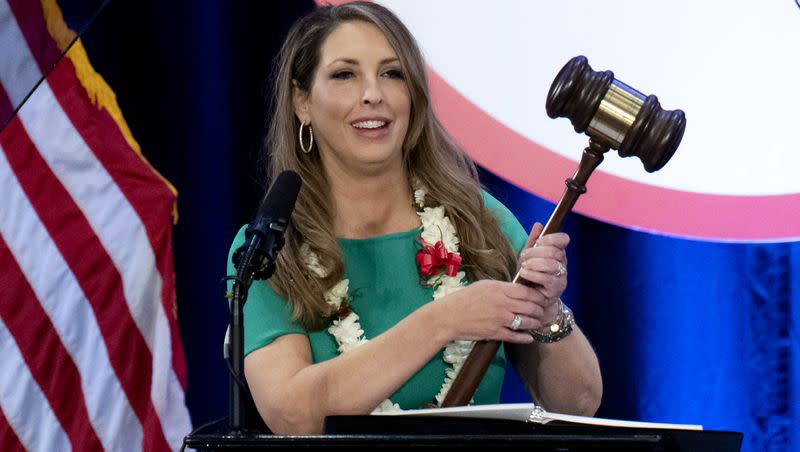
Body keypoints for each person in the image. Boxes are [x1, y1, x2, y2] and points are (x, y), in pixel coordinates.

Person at [228, 1, 602, 435]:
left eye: (392, 73)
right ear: (302, 102)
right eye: (345, 75)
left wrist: (549, 311)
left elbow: (579, 404)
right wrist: (445, 320)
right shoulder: (268, 250)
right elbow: (292, 414)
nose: (374, 94)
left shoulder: (478, 222)